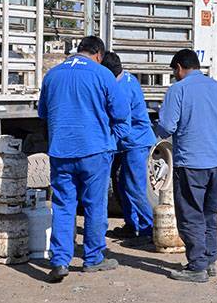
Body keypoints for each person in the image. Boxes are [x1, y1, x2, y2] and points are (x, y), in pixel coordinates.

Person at [38, 36, 130, 283]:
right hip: (94, 152)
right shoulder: (103, 75)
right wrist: (111, 142)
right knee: (94, 206)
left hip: (61, 152)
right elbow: (122, 116)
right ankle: (93, 258)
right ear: (99, 54)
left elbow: (43, 114)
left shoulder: (52, 75)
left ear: (78, 51)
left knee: (63, 207)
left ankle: (59, 261)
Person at [156, 49, 217, 283]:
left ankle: (197, 266)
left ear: (179, 68)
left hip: (192, 163)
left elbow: (167, 126)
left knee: (190, 215)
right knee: (210, 214)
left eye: (174, 72)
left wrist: (151, 130)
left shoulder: (178, 90)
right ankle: (209, 260)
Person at [101, 52, 157, 242]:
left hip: (136, 142)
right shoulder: (127, 77)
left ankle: (149, 228)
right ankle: (132, 225)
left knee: (134, 187)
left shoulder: (121, 89)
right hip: (127, 143)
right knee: (120, 184)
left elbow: (118, 120)